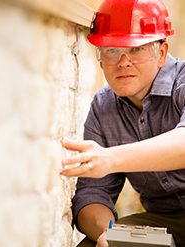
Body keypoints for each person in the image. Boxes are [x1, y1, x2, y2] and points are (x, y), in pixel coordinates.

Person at [60, 0, 185, 246]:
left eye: (136, 49)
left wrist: (110, 158)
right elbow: (92, 194)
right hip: (166, 220)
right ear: (100, 59)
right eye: (112, 50)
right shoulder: (103, 108)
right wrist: (108, 234)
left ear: (160, 53)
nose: (123, 61)